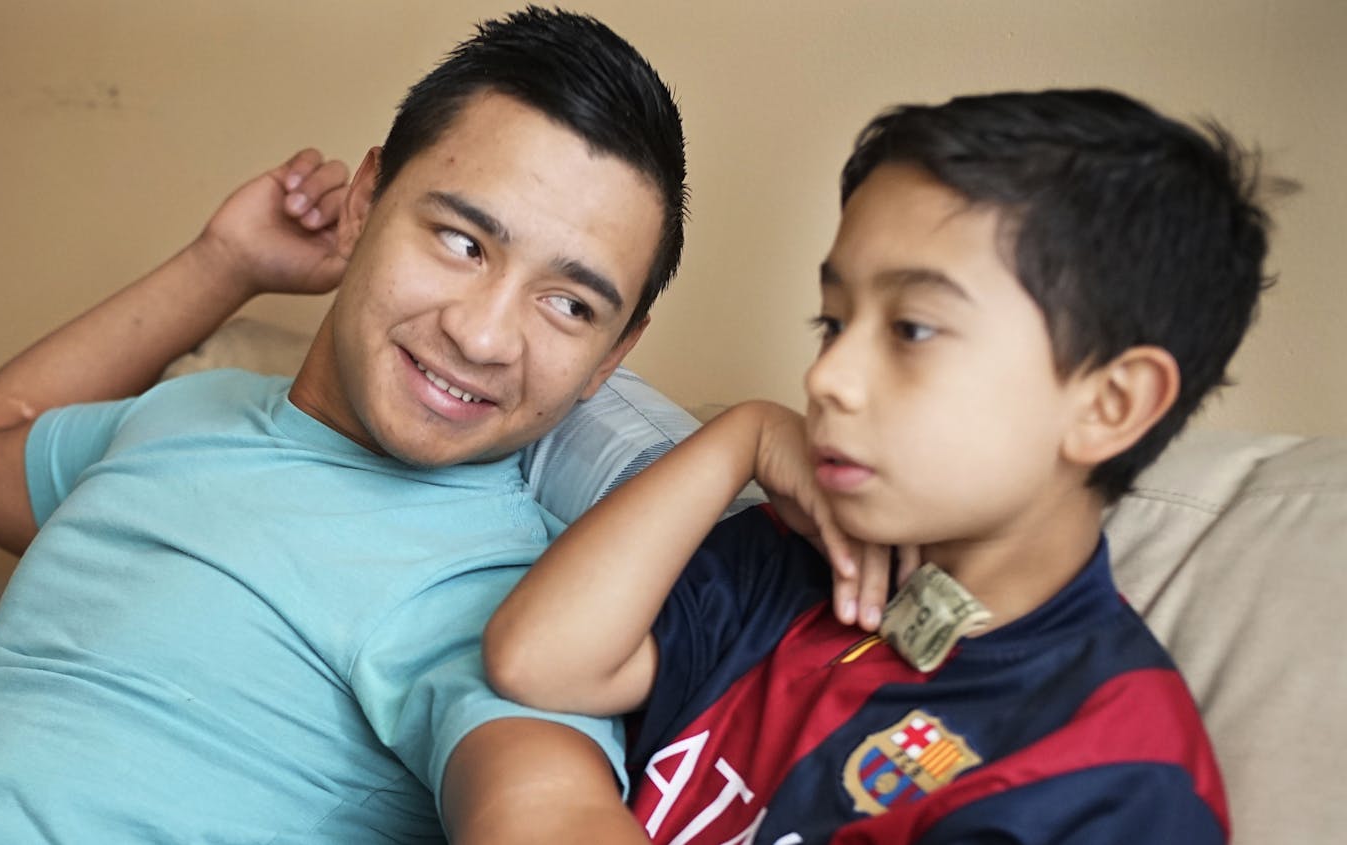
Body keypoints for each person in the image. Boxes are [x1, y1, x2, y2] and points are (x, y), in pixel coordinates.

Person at [0, 7, 689, 841]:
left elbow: (550, 811)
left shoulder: (496, 593)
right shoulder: (189, 409)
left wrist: (746, 433)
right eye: (463, 242)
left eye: (569, 304)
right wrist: (226, 263)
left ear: (612, 357)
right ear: (364, 204)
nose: (484, 336)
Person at [485, 88, 1281, 842]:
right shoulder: (786, 562)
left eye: (913, 329)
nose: (825, 377)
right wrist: (748, 434)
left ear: (1110, 404)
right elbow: (535, 660)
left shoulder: (1115, 772)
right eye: (832, 322)